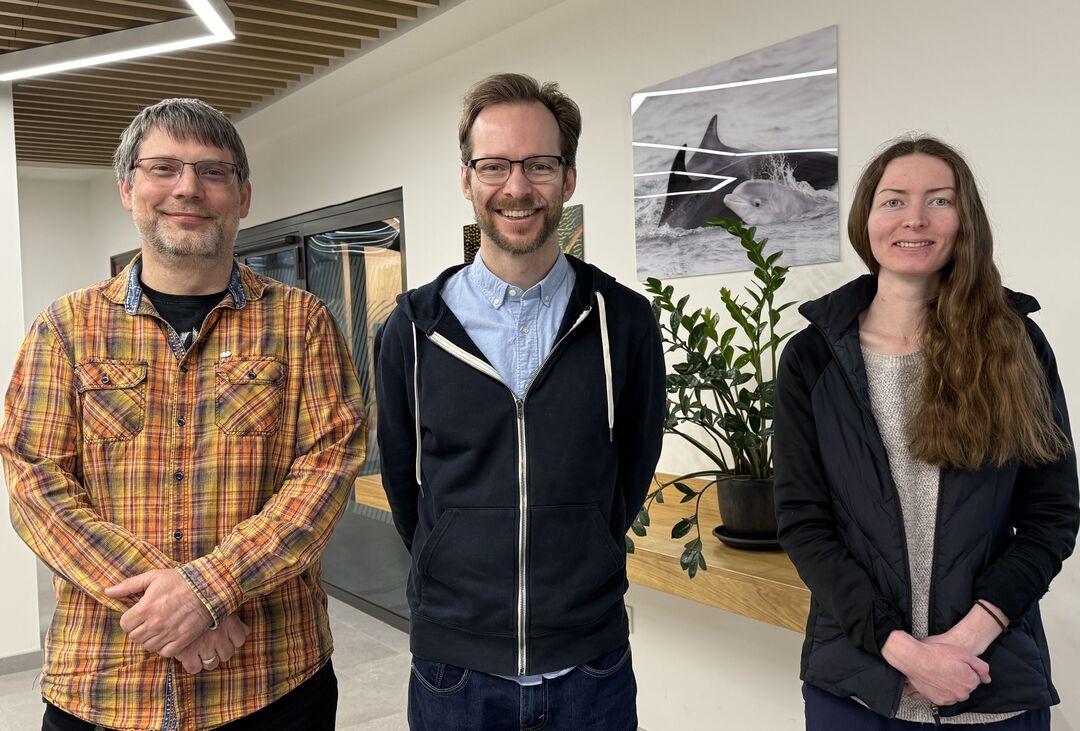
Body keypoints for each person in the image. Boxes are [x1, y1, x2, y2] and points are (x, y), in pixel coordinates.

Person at [0, 98, 367, 731]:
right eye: (163, 168)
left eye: (213, 171)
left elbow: (327, 471)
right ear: (128, 189)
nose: (188, 188)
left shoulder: (302, 323)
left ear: (243, 196)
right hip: (105, 683)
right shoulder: (64, 329)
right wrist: (172, 602)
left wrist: (211, 587)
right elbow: (34, 482)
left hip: (272, 682)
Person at [375, 73, 665, 730]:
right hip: (455, 673)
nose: (516, 186)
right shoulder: (412, 329)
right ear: (466, 178)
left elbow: (632, 468)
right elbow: (403, 485)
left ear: (568, 177)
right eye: (495, 165)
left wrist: (587, 542)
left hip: (591, 668)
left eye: (539, 164)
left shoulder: (622, 320)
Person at [774, 136, 1078, 729]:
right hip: (857, 688)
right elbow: (803, 523)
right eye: (893, 200)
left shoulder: (1016, 343)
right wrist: (904, 652)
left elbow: (1051, 516)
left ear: (965, 220)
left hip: (988, 681)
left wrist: (965, 643)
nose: (914, 218)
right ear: (865, 219)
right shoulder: (813, 357)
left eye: (939, 200)